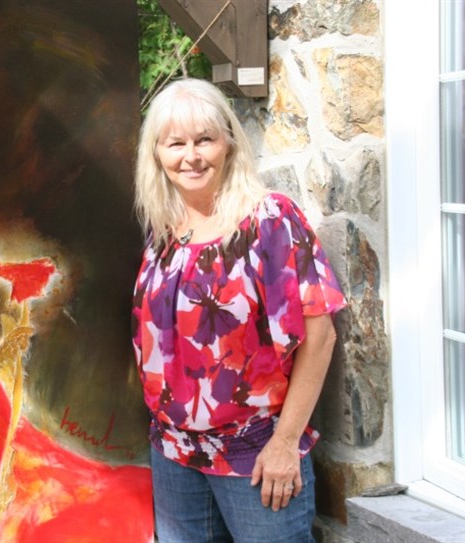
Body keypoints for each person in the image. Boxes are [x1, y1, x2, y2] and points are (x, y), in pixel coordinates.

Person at [131, 78, 347, 543]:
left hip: (256, 454)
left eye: (204, 140)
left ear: (228, 143)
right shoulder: (163, 231)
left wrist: (284, 443)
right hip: (173, 453)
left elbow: (320, 335)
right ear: (157, 153)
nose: (191, 156)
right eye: (176, 143)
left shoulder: (269, 221)